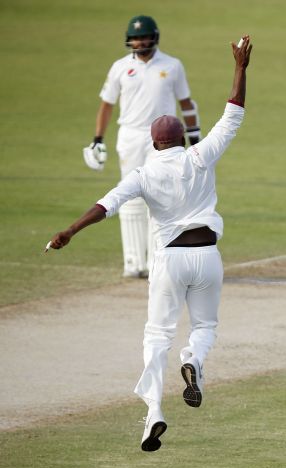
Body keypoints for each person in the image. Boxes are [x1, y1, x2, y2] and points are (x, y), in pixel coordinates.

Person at [49, 36, 252, 452]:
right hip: (207, 256)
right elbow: (233, 112)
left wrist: (70, 230)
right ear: (179, 138)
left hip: (170, 260)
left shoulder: (142, 173)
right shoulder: (201, 156)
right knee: (205, 327)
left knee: (157, 335)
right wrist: (240, 67)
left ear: (155, 142)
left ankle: (155, 411)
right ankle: (193, 360)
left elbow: (105, 206)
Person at [85, 15, 202, 277]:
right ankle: (132, 263)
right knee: (128, 197)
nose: (139, 42)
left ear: (154, 37)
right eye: (135, 37)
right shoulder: (119, 67)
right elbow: (107, 105)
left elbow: (187, 104)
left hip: (163, 140)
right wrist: (98, 138)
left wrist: (195, 138)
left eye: (144, 37)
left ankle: (155, 262)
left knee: (159, 196)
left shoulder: (172, 65)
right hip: (130, 136)